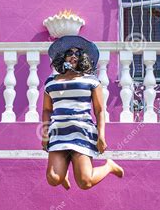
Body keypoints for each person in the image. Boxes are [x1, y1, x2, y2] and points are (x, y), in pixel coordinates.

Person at [42, 35, 124, 190]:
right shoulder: (51, 82)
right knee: (53, 179)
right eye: (69, 53)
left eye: (77, 53)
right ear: (63, 57)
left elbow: (99, 111)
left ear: (82, 58)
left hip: (82, 132)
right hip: (59, 133)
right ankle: (63, 172)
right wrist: (45, 135)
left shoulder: (91, 81)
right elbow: (46, 110)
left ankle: (109, 167)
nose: (73, 56)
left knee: (85, 182)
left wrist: (101, 136)